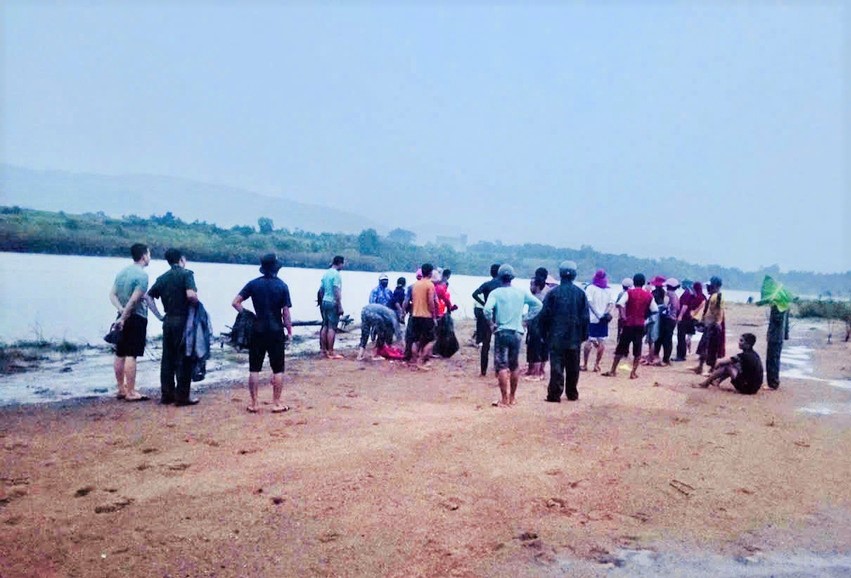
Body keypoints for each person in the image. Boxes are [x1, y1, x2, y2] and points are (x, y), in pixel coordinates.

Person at [231, 253, 293, 413]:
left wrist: (247, 314)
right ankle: (276, 403)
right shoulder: (282, 286)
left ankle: (254, 403)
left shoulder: (253, 284)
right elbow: (285, 313)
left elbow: (235, 302)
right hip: (275, 330)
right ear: (276, 269)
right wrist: (289, 331)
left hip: (257, 329)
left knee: (254, 368)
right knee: (278, 369)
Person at [483, 264, 542, 407]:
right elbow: (538, 305)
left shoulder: (496, 293)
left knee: (502, 366)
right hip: (517, 332)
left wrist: (491, 324)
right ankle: (512, 397)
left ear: (499, 277)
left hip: (502, 331)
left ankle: (504, 399)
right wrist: (525, 319)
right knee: (514, 365)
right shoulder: (520, 293)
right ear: (512, 278)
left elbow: (486, 310)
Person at [147, 248, 200, 406]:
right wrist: (197, 304)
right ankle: (183, 396)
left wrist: (158, 315)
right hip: (183, 321)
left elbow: (148, 296)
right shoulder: (186, 274)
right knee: (184, 357)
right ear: (181, 259)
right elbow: (191, 294)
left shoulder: (162, 278)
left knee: (168, 358)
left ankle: (167, 395)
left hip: (168, 320)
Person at [109, 243, 158, 402]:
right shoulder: (142, 276)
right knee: (132, 354)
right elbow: (135, 299)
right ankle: (130, 391)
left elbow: (112, 294)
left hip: (121, 314)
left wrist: (120, 311)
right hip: (136, 317)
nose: (149, 257)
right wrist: (125, 315)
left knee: (120, 352)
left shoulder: (122, 272)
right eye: (149, 254)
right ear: (144, 256)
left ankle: (121, 388)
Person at [538, 261, 589, 402]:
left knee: (557, 366)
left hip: (556, 337)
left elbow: (544, 315)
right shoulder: (580, 294)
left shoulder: (553, 293)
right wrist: (584, 335)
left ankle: (555, 394)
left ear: (560, 275)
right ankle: (572, 393)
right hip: (574, 336)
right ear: (574, 275)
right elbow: (585, 317)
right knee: (573, 367)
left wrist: (543, 334)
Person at [603, 273, 657, 379]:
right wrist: (645, 316)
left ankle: (613, 370)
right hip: (640, 325)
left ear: (634, 281)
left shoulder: (629, 292)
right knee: (637, 349)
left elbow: (619, 304)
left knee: (621, 347)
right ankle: (633, 372)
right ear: (643, 283)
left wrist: (623, 316)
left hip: (628, 324)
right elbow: (655, 310)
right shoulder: (649, 295)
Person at [757, 276, 794, 389]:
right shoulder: (784, 305)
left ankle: (772, 383)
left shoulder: (779, 306)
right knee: (775, 359)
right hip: (779, 336)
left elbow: (777, 320)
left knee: (772, 360)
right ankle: (774, 381)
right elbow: (785, 323)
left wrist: (773, 305)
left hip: (775, 336)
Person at [697, 333, 764, 395]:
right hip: (754, 388)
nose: (739, 343)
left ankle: (705, 383)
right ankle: (717, 381)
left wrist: (714, 368)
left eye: (741, 341)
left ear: (748, 344)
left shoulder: (744, 355)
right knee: (732, 365)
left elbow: (720, 362)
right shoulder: (754, 354)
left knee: (727, 367)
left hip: (747, 388)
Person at [472, 264, 501, 376]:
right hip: (499, 314)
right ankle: (498, 370)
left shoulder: (487, 284)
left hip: (487, 314)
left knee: (486, 344)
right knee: (499, 344)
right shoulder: (502, 286)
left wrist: (484, 303)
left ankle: (483, 371)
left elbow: (474, 294)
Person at [582, 269, 614, 373]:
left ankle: (585, 364)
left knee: (588, 341)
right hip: (603, 319)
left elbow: (589, 303)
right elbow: (611, 304)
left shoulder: (590, 288)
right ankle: (596, 364)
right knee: (601, 341)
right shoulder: (608, 290)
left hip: (592, 318)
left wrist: (597, 314)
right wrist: (604, 314)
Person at [692, 276, 725, 375]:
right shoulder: (712, 296)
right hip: (708, 325)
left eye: (709, 286)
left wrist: (717, 324)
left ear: (714, 286)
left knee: (710, 348)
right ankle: (701, 366)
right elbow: (708, 311)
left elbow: (719, 311)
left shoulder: (718, 297)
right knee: (704, 347)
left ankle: (709, 368)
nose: (707, 288)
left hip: (712, 326)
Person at [409, 263, 437, 369]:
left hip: (415, 315)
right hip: (426, 316)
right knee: (432, 339)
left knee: (415, 340)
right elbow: (431, 301)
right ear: (430, 272)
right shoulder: (430, 285)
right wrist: (433, 315)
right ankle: (421, 361)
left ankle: (415, 361)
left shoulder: (415, 284)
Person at [318, 255, 345, 359]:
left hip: (325, 301)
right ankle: (331, 351)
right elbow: (336, 290)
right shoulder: (336, 275)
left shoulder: (326, 273)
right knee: (332, 327)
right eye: (343, 263)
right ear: (340, 263)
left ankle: (323, 350)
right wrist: (339, 305)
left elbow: (321, 290)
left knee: (324, 325)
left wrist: (322, 300)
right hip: (333, 302)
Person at [653, 278, 680, 365]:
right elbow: (677, 307)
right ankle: (666, 358)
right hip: (673, 319)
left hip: (666, 319)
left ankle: (657, 356)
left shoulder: (668, 294)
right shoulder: (675, 295)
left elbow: (664, 306)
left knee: (660, 338)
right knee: (668, 339)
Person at [615, 277, 634, 341]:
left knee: (619, 332)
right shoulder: (631, 294)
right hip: (629, 317)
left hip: (620, 316)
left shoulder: (620, 294)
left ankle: (618, 343)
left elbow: (617, 305)